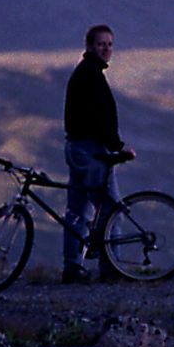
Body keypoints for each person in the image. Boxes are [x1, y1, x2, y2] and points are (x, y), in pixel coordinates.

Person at [61, 23, 133, 282]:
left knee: (77, 211)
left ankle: (72, 267)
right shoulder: (90, 75)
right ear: (90, 46)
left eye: (110, 44)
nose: (107, 49)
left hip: (77, 148)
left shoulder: (87, 72)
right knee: (111, 208)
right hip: (91, 150)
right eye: (101, 44)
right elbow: (98, 119)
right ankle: (111, 269)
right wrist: (117, 147)